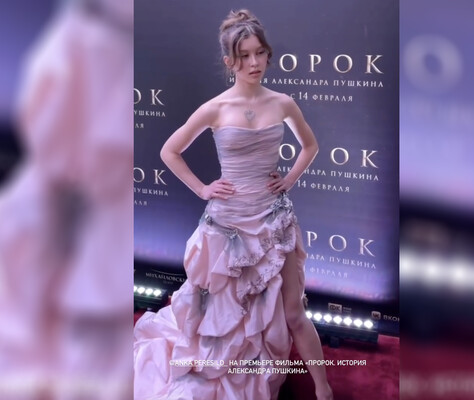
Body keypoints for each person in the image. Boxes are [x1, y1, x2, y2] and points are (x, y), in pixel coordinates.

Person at [134, 9, 333, 400]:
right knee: (221, 318)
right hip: (227, 227)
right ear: (230, 62)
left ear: (268, 53)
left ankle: (324, 389)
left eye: (260, 52)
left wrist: (290, 180)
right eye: (244, 56)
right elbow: (169, 151)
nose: (254, 62)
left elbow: (310, 146)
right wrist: (202, 188)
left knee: (294, 312)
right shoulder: (216, 108)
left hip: (274, 221)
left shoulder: (283, 103)